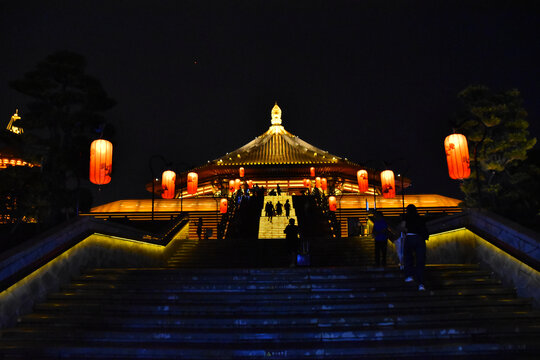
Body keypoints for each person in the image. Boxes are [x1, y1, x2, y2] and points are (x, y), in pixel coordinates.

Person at [399, 204, 429, 291]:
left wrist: (406, 230)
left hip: (410, 237)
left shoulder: (407, 217)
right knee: (420, 260)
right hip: (419, 239)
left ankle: (409, 275)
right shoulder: (420, 218)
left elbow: (402, 227)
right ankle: (421, 283)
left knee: (408, 257)